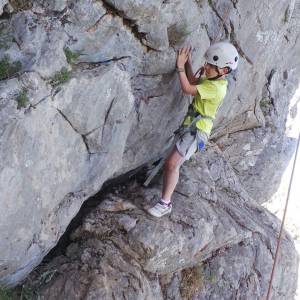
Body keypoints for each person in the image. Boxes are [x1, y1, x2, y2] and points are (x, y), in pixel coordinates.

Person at [147, 41, 239, 217]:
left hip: (198, 132)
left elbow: (188, 88)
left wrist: (180, 67)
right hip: (192, 127)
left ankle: (165, 203)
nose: (205, 67)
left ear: (224, 71)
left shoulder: (217, 89)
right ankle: (164, 199)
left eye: (211, 66)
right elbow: (193, 81)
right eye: (207, 63)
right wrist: (188, 63)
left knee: (172, 163)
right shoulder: (213, 79)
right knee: (171, 163)